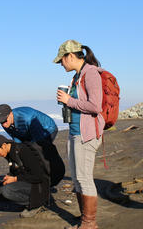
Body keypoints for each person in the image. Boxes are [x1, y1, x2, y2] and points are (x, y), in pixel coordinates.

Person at [54, 39, 104, 229]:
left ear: (71, 56)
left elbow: (95, 106)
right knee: (76, 178)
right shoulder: (77, 76)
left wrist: (69, 101)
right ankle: (84, 219)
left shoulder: (90, 73)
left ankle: (89, 223)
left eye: (61, 60)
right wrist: (67, 101)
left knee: (84, 178)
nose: (61, 64)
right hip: (75, 132)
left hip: (87, 134)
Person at [0, 104, 65, 186]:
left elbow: (37, 142)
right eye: (1, 122)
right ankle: (32, 178)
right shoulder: (5, 123)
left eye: (4, 121)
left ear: (11, 114)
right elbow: (16, 139)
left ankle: (49, 178)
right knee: (23, 153)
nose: (3, 124)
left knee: (41, 153)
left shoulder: (28, 117)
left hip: (46, 129)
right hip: (27, 133)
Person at [0, 134, 50, 218]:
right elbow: (16, 171)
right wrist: (9, 176)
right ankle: (20, 200)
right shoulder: (9, 154)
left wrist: (15, 178)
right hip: (23, 182)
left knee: (7, 190)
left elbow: (39, 176)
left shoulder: (23, 150)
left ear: (4, 145)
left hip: (38, 186)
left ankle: (36, 204)